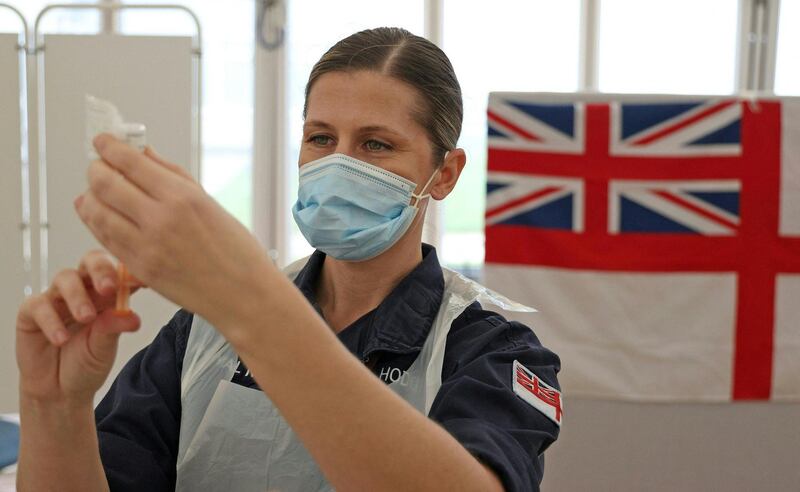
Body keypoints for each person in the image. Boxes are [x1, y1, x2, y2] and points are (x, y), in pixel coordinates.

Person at [15, 27, 561, 491]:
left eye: (376, 145)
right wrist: (53, 407)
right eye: (321, 138)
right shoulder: (203, 335)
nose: (339, 164)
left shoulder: (492, 354)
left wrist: (247, 300)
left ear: (444, 173)